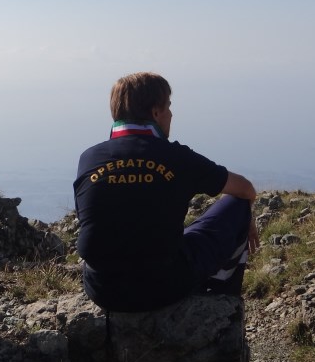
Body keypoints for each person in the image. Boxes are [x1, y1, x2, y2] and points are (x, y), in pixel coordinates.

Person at [73, 72, 260, 313]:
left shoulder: (88, 158)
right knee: (237, 205)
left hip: (103, 290)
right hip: (165, 287)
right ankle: (221, 298)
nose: (171, 114)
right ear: (156, 113)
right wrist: (248, 220)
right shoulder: (177, 157)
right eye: (168, 107)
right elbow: (245, 189)